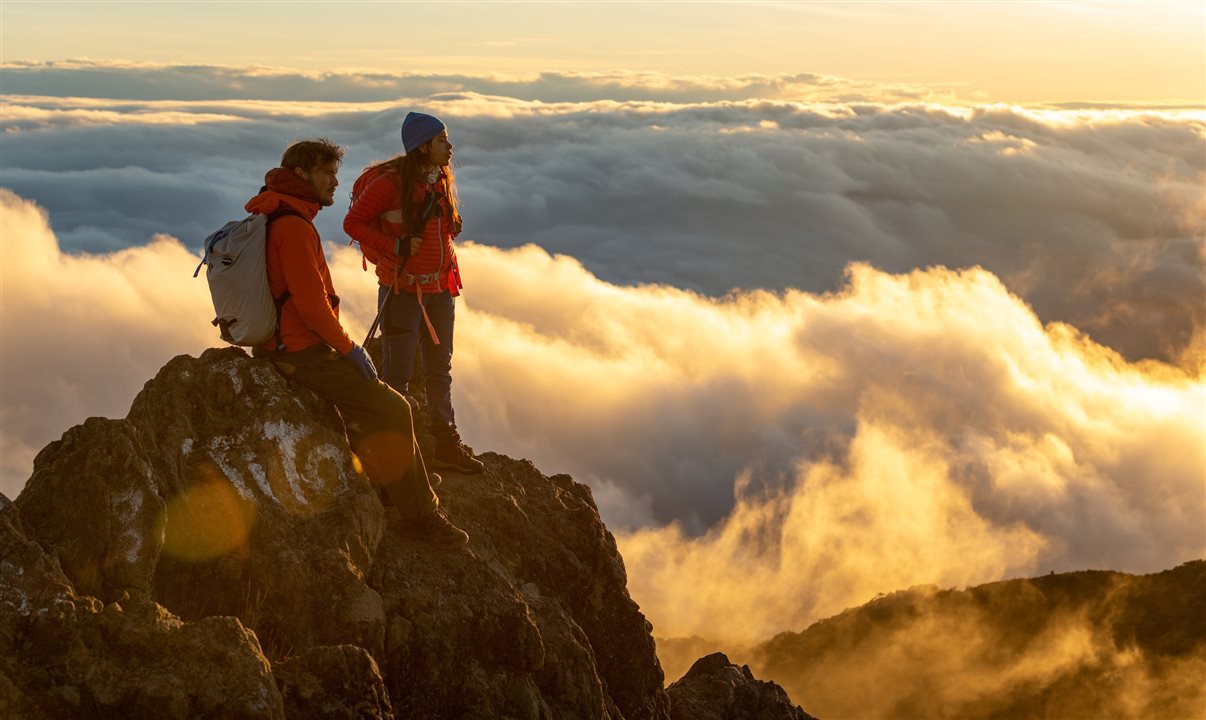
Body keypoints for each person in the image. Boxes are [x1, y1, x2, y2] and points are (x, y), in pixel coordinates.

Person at [247, 137, 469, 548]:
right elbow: (312, 307)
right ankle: (421, 515)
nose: (335, 182)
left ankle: (398, 480)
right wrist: (349, 349)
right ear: (301, 175)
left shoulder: (279, 212)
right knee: (392, 406)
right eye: (327, 173)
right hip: (301, 351)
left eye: (335, 172)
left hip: (290, 344)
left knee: (371, 406)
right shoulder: (293, 227)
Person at [344, 112, 485, 475]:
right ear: (423, 146)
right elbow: (353, 223)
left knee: (440, 370)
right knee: (397, 376)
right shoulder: (390, 185)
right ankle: (398, 457)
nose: (449, 146)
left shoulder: (437, 179)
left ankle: (444, 443)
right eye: (442, 140)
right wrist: (396, 245)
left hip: (440, 287)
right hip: (402, 288)